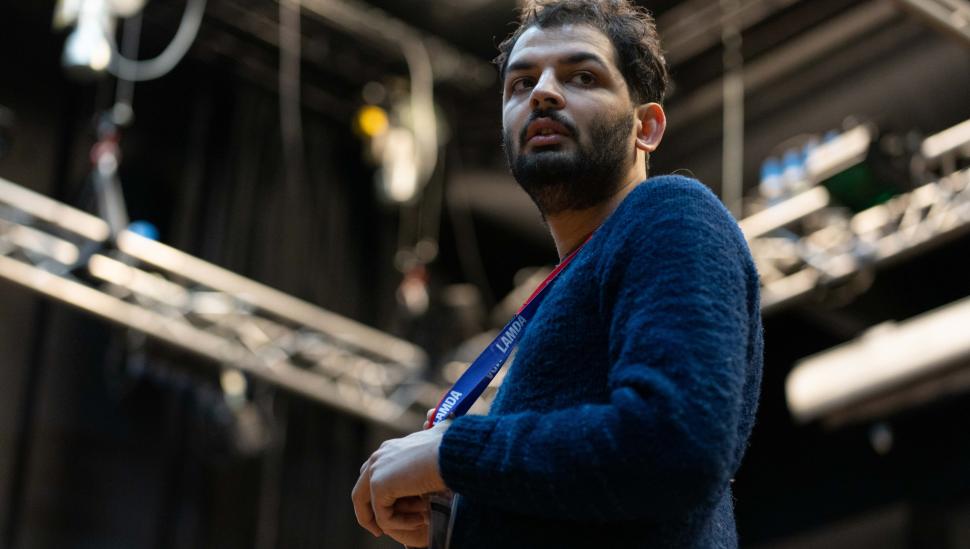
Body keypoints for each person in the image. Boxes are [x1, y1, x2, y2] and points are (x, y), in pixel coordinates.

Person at [352, 1, 764, 547]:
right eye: (521, 84)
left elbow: (673, 444)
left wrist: (451, 452)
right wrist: (471, 515)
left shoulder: (670, 211)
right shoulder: (575, 280)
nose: (542, 92)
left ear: (646, 127)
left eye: (582, 76)